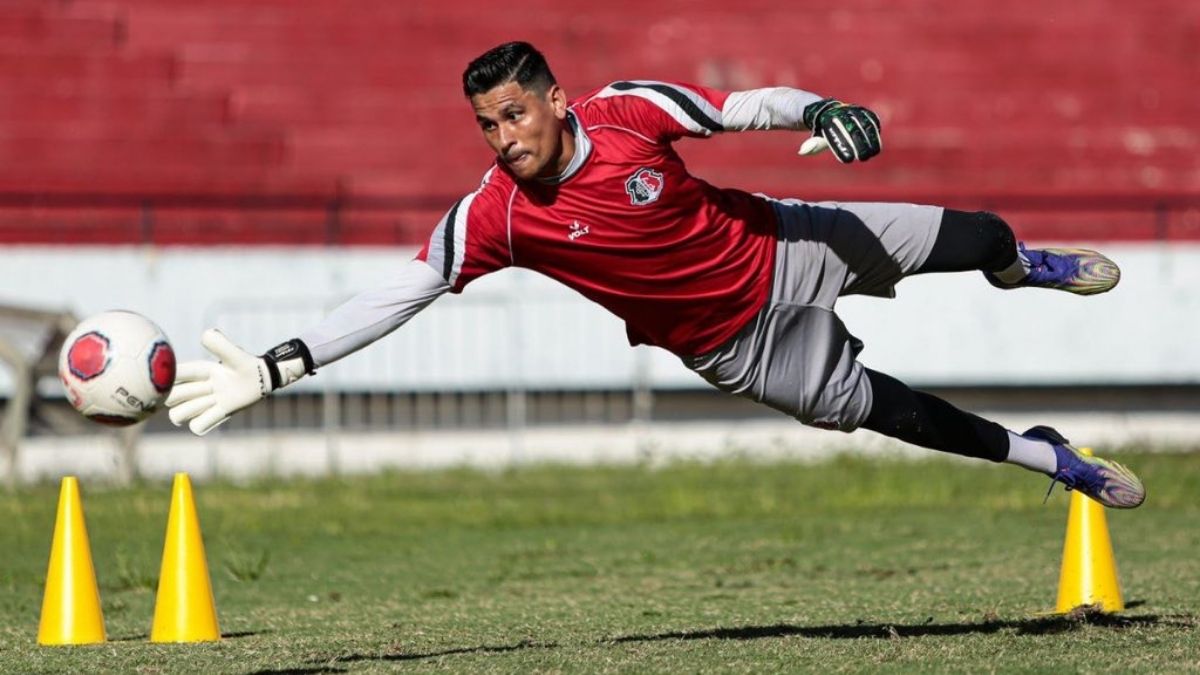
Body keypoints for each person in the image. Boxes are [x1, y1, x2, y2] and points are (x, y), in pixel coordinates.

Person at [165, 41, 1144, 509]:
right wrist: (276, 365)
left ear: (554, 99)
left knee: (978, 233)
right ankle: (1053, 460)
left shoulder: (630, 110)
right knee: (899, 414)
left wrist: (822, 110)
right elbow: (399, 294)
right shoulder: (497, 216)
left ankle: (1026, 269)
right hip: (735, 346)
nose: (504, 140)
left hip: (788, 239)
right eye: (486, 127)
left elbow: (741, 106)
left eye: (514, 115)